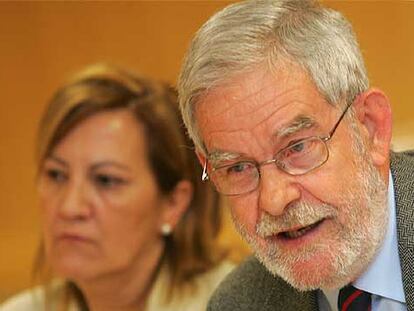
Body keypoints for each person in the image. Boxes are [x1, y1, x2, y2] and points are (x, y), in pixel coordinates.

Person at [177, 0, 413, 310]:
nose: (274, 200)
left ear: (371, 128)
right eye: (238, 168)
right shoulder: (239, 303)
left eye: (297, 147)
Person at [1, 64, 234, 311]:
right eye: (56, 175)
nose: (70, 208)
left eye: (106, 181)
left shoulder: (236, 304)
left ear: (173, 203)